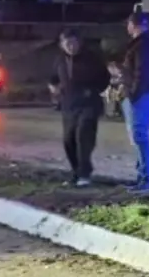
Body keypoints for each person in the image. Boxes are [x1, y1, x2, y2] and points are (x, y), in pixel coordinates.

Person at [47, 29, 110, 187]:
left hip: (89, 104)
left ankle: (85, 174)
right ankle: (76, 171)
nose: (71, 46)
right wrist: (53, 87)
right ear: (61, 45)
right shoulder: (60, 60)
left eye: (73, 43)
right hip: (69, 105)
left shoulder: (91, 58)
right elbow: (53, 78)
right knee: (69, 140)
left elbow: (105, 78)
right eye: (67, 43)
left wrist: (93, 90)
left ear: (79, 43)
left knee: (83, 136)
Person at [120, 12, 149, 192]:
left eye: (129, 24)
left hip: (142, 96)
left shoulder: (142, 45)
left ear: (133, 25)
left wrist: (133, 94)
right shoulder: (144, 44)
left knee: (140, 138)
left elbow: (141, 73)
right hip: (143, 94)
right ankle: (142, 177)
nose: (127, 28)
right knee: (138, 138)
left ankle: (147, 180)